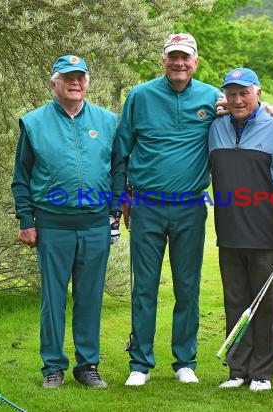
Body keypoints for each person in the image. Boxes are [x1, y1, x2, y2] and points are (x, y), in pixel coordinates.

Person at [11, 55, 124, 389]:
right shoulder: (34, 123)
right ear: (53, 83)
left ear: (88, 82)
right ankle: (53, 368)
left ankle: (87, 365)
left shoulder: (106, 121)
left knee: (90, 297)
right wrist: (26, 219)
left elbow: (119, 168)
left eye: (81, 77)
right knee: (53, 300)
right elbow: (22, 177)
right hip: (52, 225)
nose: (76, 83)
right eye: (68, 77)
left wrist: (114, 210)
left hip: (94, 225)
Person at [117, 33, 222, 386]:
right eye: (173, 57)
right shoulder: (140, 96)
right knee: (144, 287)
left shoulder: (211, 97)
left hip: (190, 207)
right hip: (147, 205)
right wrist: (123, 197)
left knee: (187, 286)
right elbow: (122, 150)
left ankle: (184, 361)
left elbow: (246, 113)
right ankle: (140, 363)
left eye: (185, 57)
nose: (179, 63)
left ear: (196, 61)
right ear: (162, 60)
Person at [208, 68, 273, 391]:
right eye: (232, 93)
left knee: (267, 305)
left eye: (244, 92)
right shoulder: (215, 128)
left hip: (269, 232)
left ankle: (262, 372)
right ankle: (237, 370)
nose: (238, 99)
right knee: (235, 301)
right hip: (229, 232)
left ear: (258, 93)